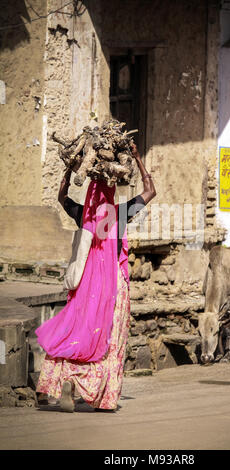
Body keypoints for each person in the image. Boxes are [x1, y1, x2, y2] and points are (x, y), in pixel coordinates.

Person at [35, 143, 156, 412]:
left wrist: (69, 168)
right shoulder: (119, 214)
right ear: (111, 191)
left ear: (91, 192)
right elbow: (151, 191)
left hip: (85, 284)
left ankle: (68, 379)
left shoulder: (83, 214)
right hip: (113, 286)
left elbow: (61, 196)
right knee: (110, 338)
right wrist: (137, 159)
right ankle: (102, 396)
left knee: (79, 330)